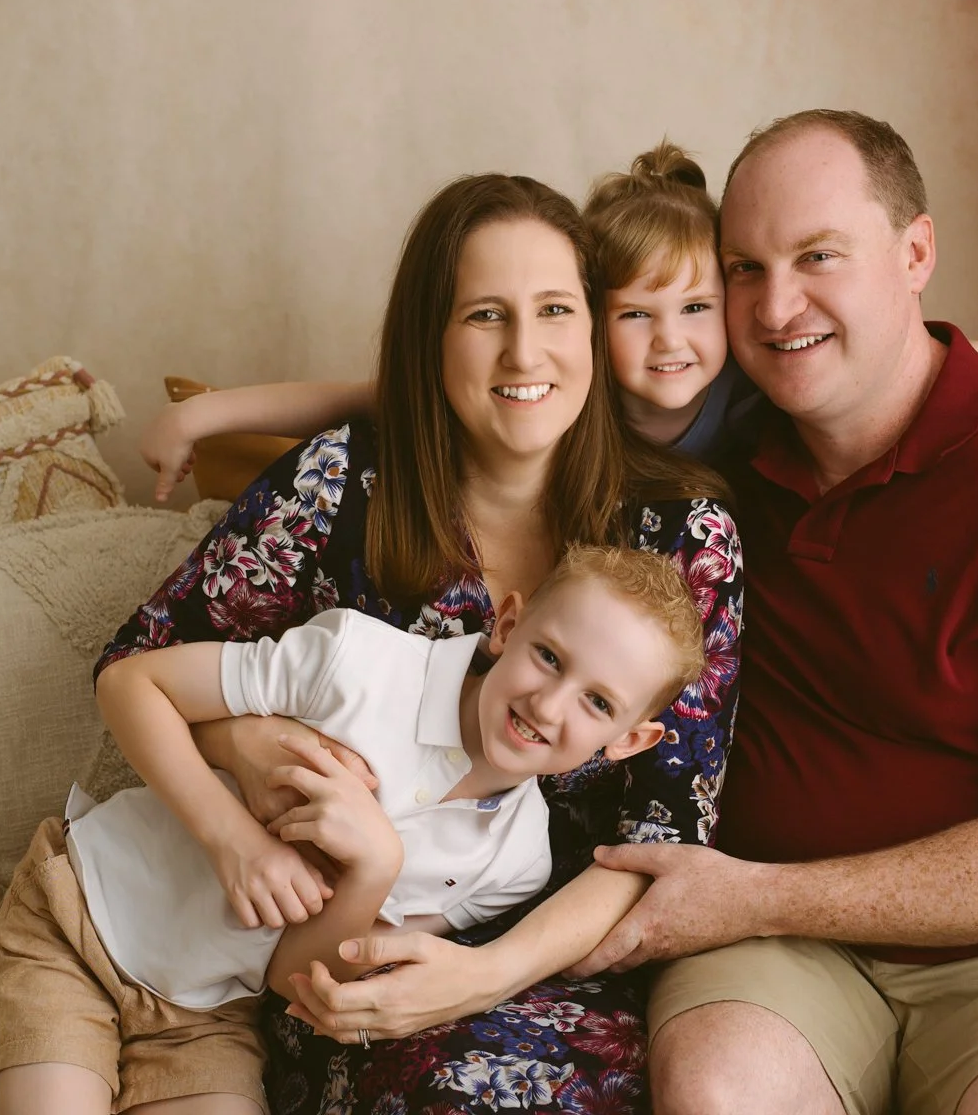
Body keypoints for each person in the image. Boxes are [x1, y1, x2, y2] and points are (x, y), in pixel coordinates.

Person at [571, 110, 978, 1115]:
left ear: (915, 252)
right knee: (720, 1093)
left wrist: (749, 894)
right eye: (743, 268)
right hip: (780, 956)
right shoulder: (701, 458)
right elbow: (467, 394)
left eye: (819, 256)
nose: (776, 306)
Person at [92, 172, 744, 1114]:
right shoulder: (339, 483)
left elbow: (664, 840)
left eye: (556, 309)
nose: (526, 350)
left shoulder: (685, 536)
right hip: (344, 947)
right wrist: (239, 743)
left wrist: (489, 974)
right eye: (485, 315)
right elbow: (138, 668)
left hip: (561, 957)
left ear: (593, 333)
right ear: (431, 341)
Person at [0, 545, 702, 1115]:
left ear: (629, 740)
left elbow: (291, 978)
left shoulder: (513, 862)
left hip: (208, 1013)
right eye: (549, 656)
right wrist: (232, 840)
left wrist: (375, 870)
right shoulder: (358, 662)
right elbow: (131, 686)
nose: (550, 703)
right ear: (509, 625)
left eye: (597, 701)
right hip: (81, 914)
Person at [137, 143, 978, 492]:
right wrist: (209, 413)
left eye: (698, 306)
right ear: (592, 327)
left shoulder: (755, 377)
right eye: (636, 315)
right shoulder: (567, 392)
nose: (673, 340)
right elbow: (379, 393)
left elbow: (934, 361)